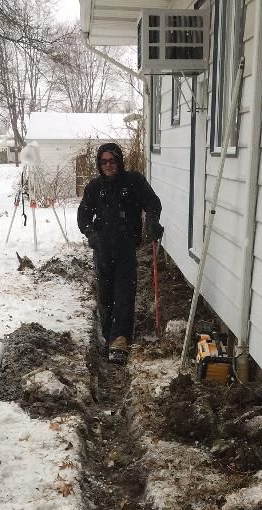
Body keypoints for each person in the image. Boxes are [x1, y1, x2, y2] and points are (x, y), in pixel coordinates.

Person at [77, 142, 163, 365]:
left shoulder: (133, 182)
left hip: (126, 246)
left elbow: (152, 203)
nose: (108, 165)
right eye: (103, 161)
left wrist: (152, 222)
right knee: (106, 296)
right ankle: (108, 336)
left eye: (112, 160)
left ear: (119, 161)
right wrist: (91, 235)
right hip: (103, 248)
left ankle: (120, 341)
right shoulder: (94, 188)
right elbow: (83, 216)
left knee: (124, 293)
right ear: (99, 163)